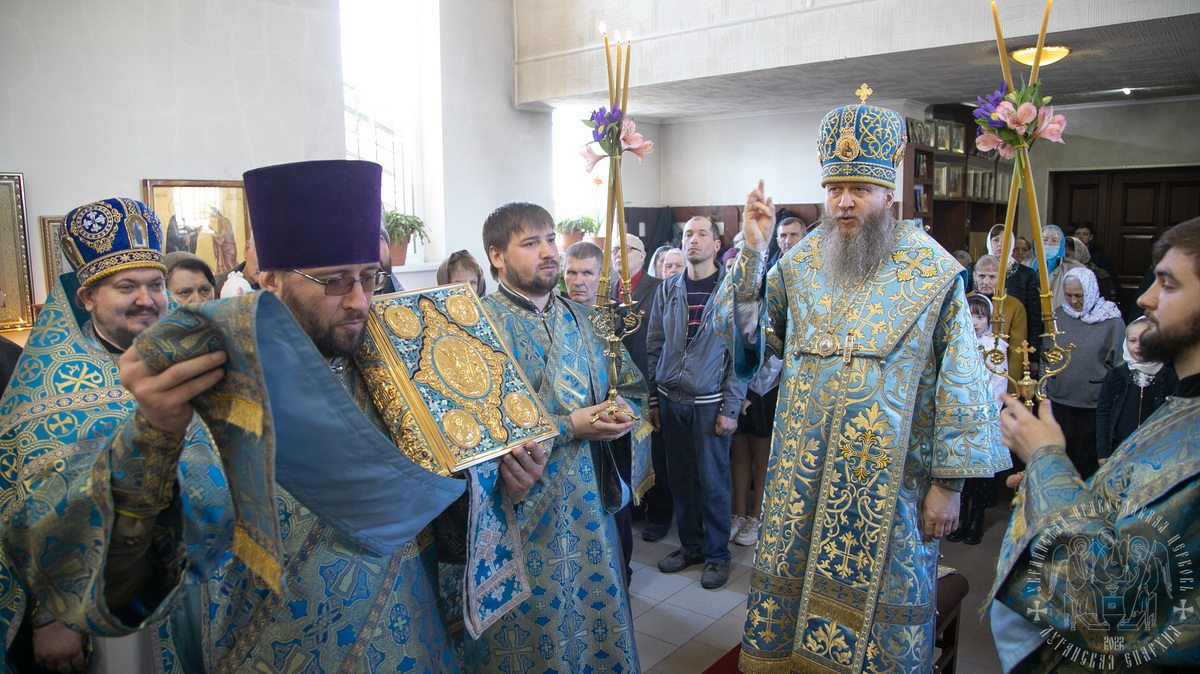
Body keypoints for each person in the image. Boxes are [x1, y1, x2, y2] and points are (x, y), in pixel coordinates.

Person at [2, 163, 546, 672]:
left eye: (371, 277)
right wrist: (154, 435)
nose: (360, 301)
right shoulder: (213, 385)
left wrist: (501, 491)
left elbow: (441, 523)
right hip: (270, 648)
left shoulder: (401, 363)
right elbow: (134, 573)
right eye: (334, 280)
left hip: (410, 640)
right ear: (272, 279)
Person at [716, 94, 1008, 672]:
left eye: (860, 189)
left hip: (892, 483)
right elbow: (747, 343)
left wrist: (948, 485)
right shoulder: (800, 264)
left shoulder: (932, 272)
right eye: (834, 189)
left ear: (888, 195)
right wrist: (752, 251)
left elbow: (961, 383)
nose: (844, 201)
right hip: (801, 477)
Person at [990, 216, 1200, 673]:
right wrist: (1051, 481)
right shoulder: (1185, 407)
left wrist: (1046, 460)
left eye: (1167, 284)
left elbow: (1107, 596)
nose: (1145, 298)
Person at [0, 198, 178, 673]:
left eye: (155, 284)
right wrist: (50, 614)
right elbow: (22, 511)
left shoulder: (195, 360)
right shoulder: (45, 387)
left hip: (199, 587)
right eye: (126, 287)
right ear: (87, 298)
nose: (147, 300)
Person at [470, 201, 647, 672]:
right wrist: (571, 426)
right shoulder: (477, 328)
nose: (549, 252)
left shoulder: (586, 321)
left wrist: (625, 412)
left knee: (593, 630)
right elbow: (476, 432)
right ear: (497, 256)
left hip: (589, 517)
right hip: (520, 517)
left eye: (551, 239)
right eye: (531, 243)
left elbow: (630, 387)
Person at [647, 216, 747, 590]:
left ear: (716, 245)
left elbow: (742, 356)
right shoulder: (668, 288)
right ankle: (691, 547)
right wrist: (654, 398)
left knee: (713, 483)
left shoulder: (732, 291)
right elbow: (655, 345)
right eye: (688, 234)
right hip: (671, 400)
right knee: (681, 480)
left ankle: (717, 555)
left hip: (710, 402)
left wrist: (731, 407)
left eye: (702, 233)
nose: (694, 239)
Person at [1041, 266, 1124, 480]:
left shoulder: (1112, 321)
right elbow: (1047, 355)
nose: (1074, 301)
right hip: (1060, 400)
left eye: (1079, 295)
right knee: (1061, 461)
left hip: (1093, 404)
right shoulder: (1058, 316)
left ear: (1091, 290)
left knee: (1087, 464)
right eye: (1069, 295)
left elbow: (1119, 367)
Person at [947, 295, 1008, 546]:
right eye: (970, 315)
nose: (974, 322)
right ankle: (960, 517)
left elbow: (999, 381)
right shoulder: (958, 340)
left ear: (989, 319)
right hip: (961, 415)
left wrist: (987, 412)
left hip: (985, 417)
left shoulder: (996, 346)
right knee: (961, 471)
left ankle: (976, 519)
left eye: (980, 316)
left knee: (981, 475)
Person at [1095, 317, 1177, 464]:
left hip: (1156, 453)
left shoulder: (1169, 376)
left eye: (1145, 340)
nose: (1138, 346)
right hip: (1119, 451)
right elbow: (1104, 413)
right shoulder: (1116, 375)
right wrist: (1103, 452)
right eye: (1132, 341)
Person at [981, 224, 1043, 365]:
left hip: (1015, 339)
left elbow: (1034, 316)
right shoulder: (975, 269)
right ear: (989, 242)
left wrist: (1033, 356)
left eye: (1005, 241)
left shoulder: (1026, 274)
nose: (1000, 244)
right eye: (996, 240)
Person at [971, 254, 1029, 385]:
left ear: (1002, 278)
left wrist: (1011, 387)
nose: (986, 282)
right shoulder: (965, 300)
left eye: (992, 277)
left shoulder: (1014, 306)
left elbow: (1016, 353)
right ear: (974, 276)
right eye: (981, 276)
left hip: (1000, 376)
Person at [1032, 224, 1084, 311]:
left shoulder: (1074, 268)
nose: (1049, 244)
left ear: (1061, 244)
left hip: (1059, 315)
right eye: (1044, 240)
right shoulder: (1026, 264)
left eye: (1054, 240)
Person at [562, 240, 603, 306]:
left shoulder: (619, 311)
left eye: (587, 273)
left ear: (602, 276)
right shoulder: (556, 311)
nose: (578, 282)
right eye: (572, 273)